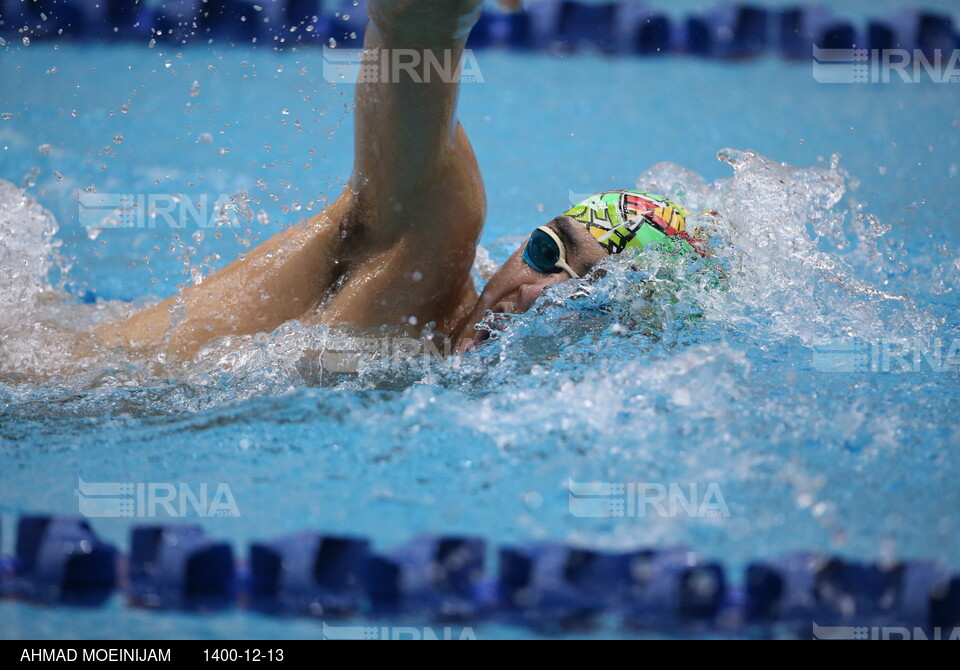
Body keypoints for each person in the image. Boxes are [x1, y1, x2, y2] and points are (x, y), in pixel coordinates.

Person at [96, 0, 705, 360]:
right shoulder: (426, 246)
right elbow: (409, 32)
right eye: (545, 251)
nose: (534, 293)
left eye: (585, 299)